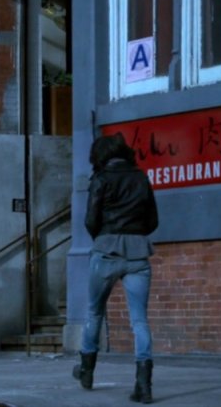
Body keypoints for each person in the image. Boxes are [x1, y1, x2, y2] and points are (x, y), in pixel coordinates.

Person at [73, 133, 159, 404]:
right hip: (138, 252)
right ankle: (143, 385)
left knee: (94, 311)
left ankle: (87, 370)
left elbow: (90, 220)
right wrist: (134, 234)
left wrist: (105, 238)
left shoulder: (100, 179)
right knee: (139, 320)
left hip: (106, 250)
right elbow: (153, 220)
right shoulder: (141, 178)